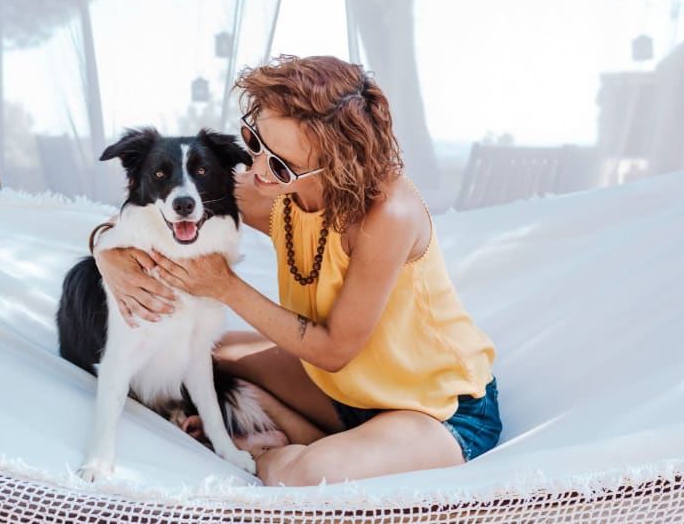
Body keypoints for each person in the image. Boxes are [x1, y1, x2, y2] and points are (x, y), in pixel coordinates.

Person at [94, 55, 501, 486]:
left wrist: (226, 286)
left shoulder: (389, 215)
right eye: (254, 142)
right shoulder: (271, 187)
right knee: (189, 349)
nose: (257, 171)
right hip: (341, 386)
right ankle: (317, 429)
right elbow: (145, 214)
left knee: (310, 474)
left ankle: (275, 449)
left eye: (281, 165)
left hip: (433, 405)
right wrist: (107, 254)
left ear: (338, 165)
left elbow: (333, 349)